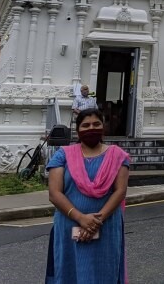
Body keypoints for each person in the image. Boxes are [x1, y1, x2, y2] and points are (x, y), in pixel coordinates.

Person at [45, 108, 130, 283]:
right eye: (86, 125)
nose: (91, 128)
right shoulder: (63, 155)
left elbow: (120, 191)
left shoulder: (118, 156)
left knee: (105, 273)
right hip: (69, 225)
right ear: (78, 131)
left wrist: (95, 222)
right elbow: (54, 193)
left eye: (96, 124)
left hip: (106, 227)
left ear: (103, 128)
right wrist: (81, 218)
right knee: (69, 273)